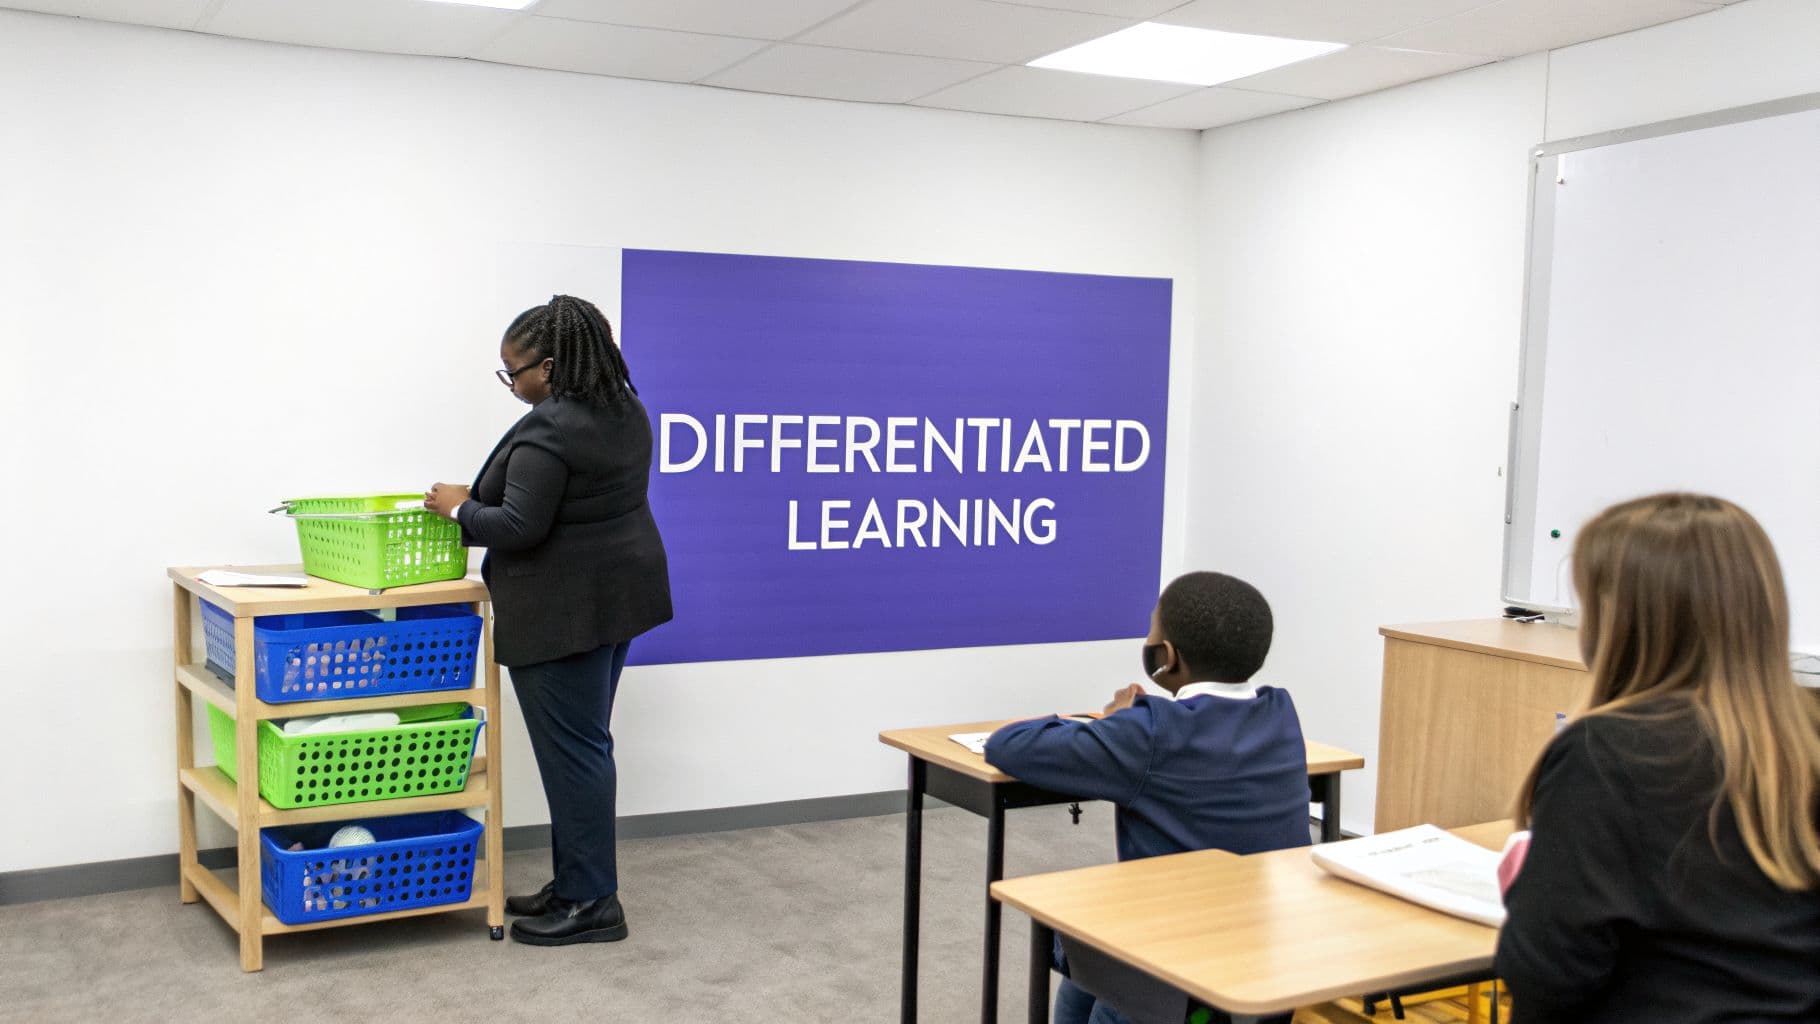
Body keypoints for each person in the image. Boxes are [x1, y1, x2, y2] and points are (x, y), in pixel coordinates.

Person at [1496, 493, 1820, 1021]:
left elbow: (1545, 975)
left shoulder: (1605, 753)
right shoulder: (1806, 740)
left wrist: (1530, 895)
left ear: (1621, 625)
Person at [424, 294, 672, 947]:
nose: (513, 384)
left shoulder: (552, 428)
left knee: (576, 753)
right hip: (615, 598)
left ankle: (593, 902)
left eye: (516, 372)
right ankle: (575, 884)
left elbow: (518, 525)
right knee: (584, 747)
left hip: (563, 609)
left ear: (552, 365)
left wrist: (455, 508)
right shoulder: (624, 409)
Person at [985, 572, 1309, 1024]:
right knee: (1086, 968)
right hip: (1265, 948)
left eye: (1152, 630)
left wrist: (1111, 722)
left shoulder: (1148, 731)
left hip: (1175, 971)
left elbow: (1008, 745)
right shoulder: (1279, 712)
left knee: (1083, 943)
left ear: (1166, 656)